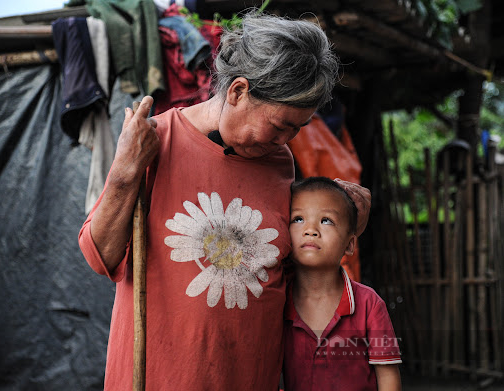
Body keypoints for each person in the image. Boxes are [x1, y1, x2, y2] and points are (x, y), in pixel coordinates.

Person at [79, 11, 371, 390]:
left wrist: (343, 222)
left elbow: (294, 275)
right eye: (280, 125)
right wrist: (124, 173)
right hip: (161, 377)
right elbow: (99, 256)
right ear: (237, 91)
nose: (285, 140)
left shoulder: (280, 160)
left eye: (297, 129)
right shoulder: (156, 141)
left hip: (251, 376)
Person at [283, 177, 401, 391]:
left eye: (326, 220)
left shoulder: (369, 304)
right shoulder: (277, 301)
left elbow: (388, 377)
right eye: (298, 219)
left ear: (349, 244)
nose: (311, 230)